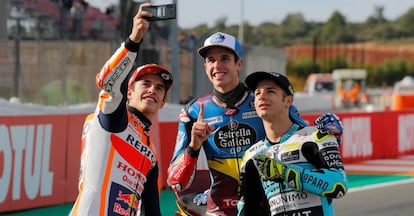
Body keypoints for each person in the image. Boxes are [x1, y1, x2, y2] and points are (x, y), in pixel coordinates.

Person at [167, 32, 343, 216]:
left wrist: (332, 137)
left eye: (225, 58)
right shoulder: (193, 111)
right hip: (220, 208)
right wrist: (194, 147)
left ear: (239, 64)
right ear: (205, 66)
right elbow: (176, 180)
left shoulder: (264, 100)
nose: (217, 65)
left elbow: (305, 142)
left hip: (269, 203)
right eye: (211, 60)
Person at [70, 3, 173, 215]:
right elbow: (106, 81)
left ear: (163, 102)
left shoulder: (151, 155)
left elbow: (152, 211)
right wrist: (134, 40)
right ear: (129, 93)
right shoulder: (113, 119)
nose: (152, 90)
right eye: (145, 84)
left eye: (159, 88)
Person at [237, 71, 348, 216]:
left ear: (288, 101)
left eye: (270, 91)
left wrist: (285, 172)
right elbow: (247, 209)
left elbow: (339, 185)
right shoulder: (251, 156)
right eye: (257, 93)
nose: (261, 96)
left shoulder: (316, 136)